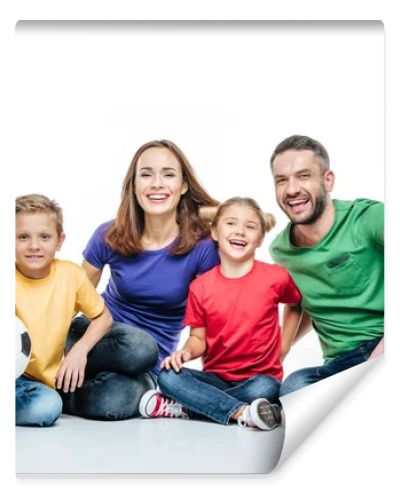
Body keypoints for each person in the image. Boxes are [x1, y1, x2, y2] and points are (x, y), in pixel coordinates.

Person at [65, 139, 220, 420]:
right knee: (127, 344)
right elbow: (71, 303)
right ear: (133, 185)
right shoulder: (108, 234)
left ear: (183, 185)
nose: (156, 183)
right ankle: (59, 373)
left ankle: (58, 389)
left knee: (113, 397)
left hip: (149, 360)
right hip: (95, 337)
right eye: (146, 174)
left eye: (168, 174)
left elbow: (211, 322)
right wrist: (75, 348)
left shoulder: (203, 247)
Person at [139, 197, 302, 430]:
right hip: (215, 379)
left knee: (267, 389)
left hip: (259, 378)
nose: (240, 232)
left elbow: (296, 304)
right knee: (166, 376)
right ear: (214, 231)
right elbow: (198, 338)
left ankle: (189, 407)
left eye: (250, 227)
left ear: (260, 239)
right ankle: (242, 412)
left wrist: (284, 346)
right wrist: (184, 353)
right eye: (231, 224)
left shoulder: (276, 277)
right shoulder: (201, 286)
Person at [269, 135, 384, 396]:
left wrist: (382, 354)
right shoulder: (281, 250)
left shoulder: (368, 219)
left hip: (385, 344)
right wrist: (277, 354)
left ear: (327, 180)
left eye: (303, 176)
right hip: (341, 363)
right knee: (293, 389)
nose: (291, 189)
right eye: (281, 180)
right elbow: (304, 303)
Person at [15, 194, 114, 426]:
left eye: (44, 237)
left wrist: (79, 350)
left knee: (47, 406)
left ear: (60, 241)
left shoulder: (71, 275)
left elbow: (103, 317)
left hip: (40, 383)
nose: (34, 246)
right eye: (22, 237)